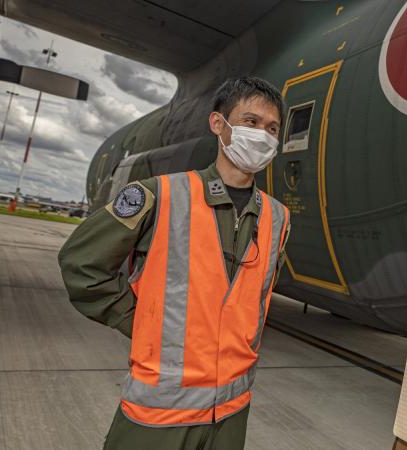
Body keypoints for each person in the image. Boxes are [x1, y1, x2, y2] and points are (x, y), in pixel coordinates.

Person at [58, 76, 291, 450]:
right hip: (158, 416)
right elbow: (81, 263)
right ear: (218, 124)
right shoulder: (160, 194)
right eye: (250, 122)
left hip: (230, 414)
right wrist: (139, 321)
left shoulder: (277, 218)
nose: (262, 135)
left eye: (272, 128)